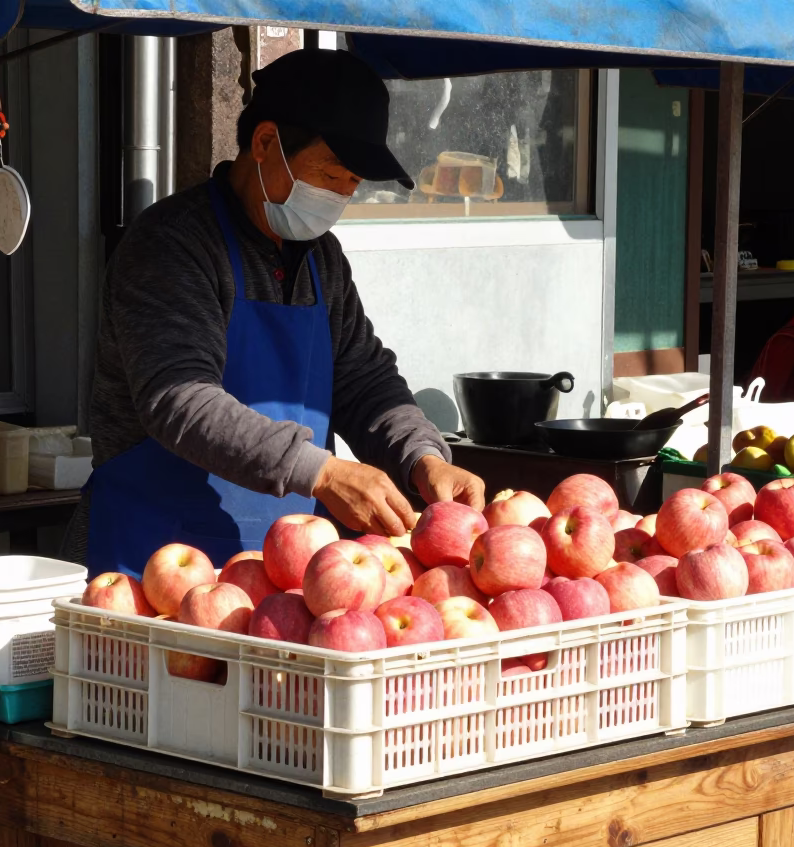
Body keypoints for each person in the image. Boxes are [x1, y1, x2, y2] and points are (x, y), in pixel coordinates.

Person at [63, 48, 484, 577]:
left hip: (288, 570)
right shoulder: (172, 244)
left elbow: (363, 379)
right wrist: (324, 473)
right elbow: (180, 398)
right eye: (331, 176)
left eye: (352, 185)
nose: (341, 196)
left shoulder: (321, 260)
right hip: (153, 563)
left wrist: (423, 457)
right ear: (265, 144)